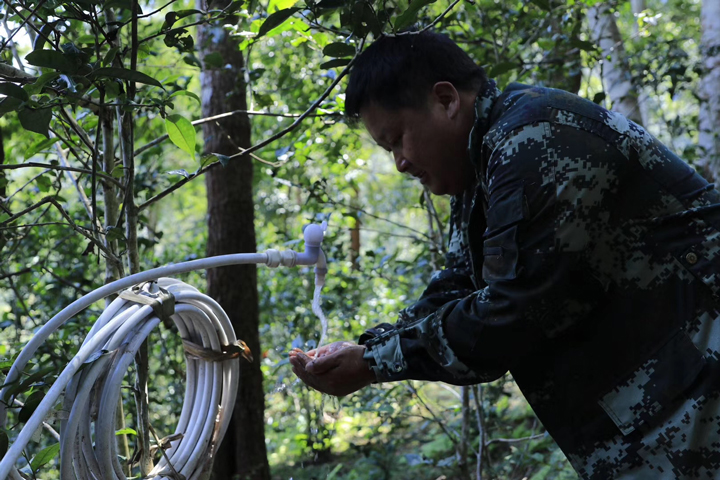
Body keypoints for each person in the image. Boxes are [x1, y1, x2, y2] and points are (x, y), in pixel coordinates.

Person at [289, 31, 720, 479]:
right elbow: (459, 284)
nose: (399, 162)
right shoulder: (483, 161)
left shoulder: (535, 140)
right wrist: (369, 347)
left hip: (701, 386)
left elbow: (512, 313)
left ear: (445, 99)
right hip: (662, 405)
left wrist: (375, 363)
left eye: (398, 138)